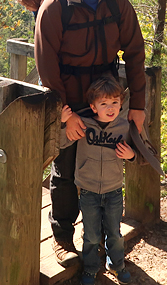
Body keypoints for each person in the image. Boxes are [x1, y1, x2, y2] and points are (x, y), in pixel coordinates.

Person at [35, 0, 146, 267]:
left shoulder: (118, 6)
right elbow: (46, 66)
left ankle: (98, 236)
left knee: (106, 166)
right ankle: (63, 236)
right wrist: (64, 116)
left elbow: (136, 52)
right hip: (70, 104)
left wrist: (136, 105)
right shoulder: (56, 7)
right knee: (67, 170)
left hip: (107, 104)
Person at [59, 76, 134, 285]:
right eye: (104, 104)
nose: (110, 108)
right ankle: (90, 268)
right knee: (91, 235)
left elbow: (139, 150)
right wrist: (64, 123)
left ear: (121, 103)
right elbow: (62, 143)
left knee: (115, 232)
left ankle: (117, 264)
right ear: (93, 107)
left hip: (114, 190)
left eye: (115, 103)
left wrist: (131, 155)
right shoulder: (85, 125)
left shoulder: (123, 126)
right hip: (89, 191)